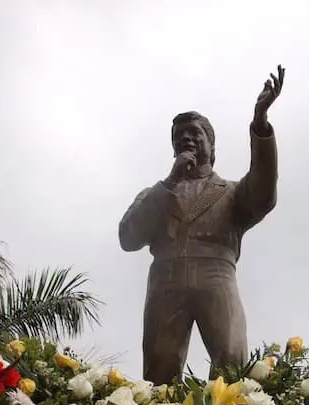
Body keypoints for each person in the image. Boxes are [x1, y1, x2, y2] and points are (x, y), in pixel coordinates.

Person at [119, 66, 285, 385]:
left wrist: (260, 124)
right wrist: (169, 182)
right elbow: (128, 237)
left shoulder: (234, 192)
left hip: (216, 273)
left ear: (211, 144)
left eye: (195, 132)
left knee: (232, 359)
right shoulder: (155, 194)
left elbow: (264, 193)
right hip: (165, 276)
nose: (186, 138)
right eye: (179, 136)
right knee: (160, 368)